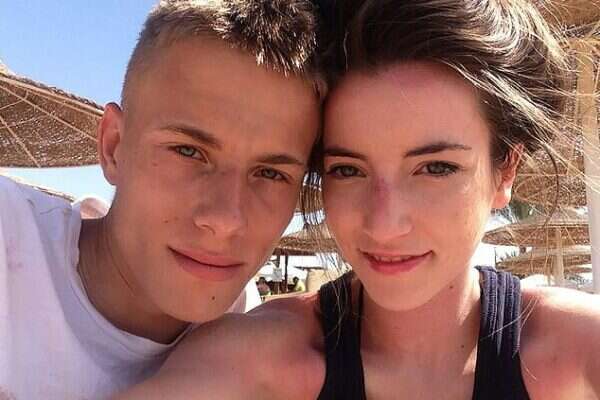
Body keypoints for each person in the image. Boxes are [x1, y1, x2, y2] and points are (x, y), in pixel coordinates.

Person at [114, 1, 600, 399]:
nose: (384, 224)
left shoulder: (578, 351)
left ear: (505, 170)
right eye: (347, 170)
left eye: (435, 168)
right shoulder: (251, 363)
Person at [0, 0, 322, 398]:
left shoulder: (255, 338)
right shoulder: (9, 243)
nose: (225, 219)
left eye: (271, 173)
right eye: (188, 151)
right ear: (113, 147)